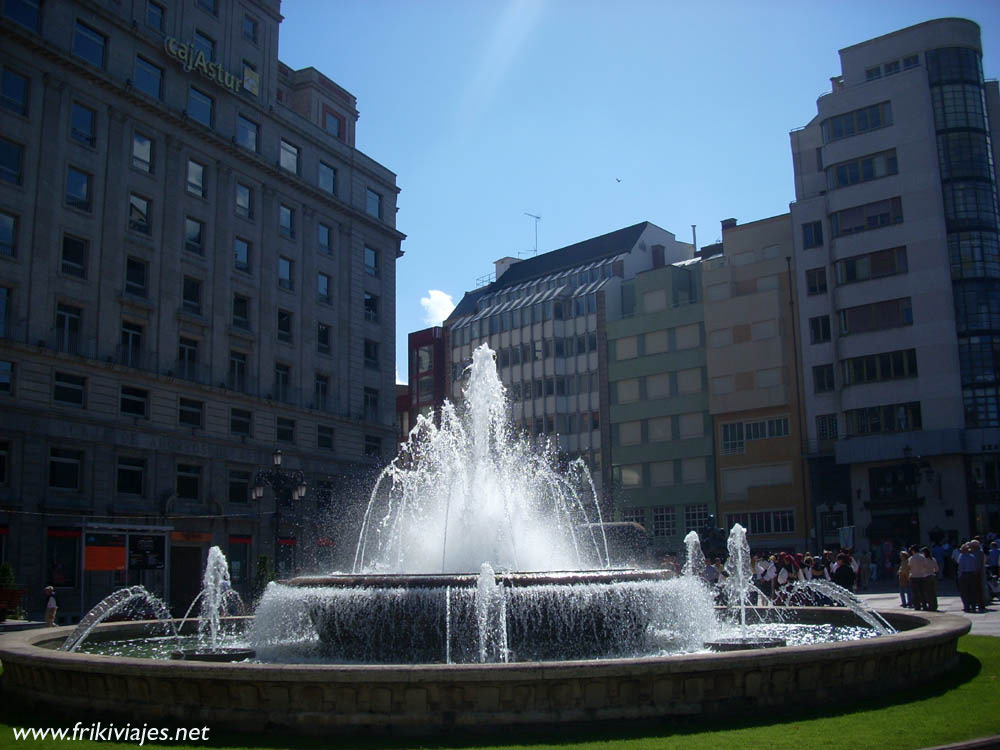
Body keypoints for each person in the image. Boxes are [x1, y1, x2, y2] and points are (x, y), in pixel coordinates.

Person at [957, 544, 980, 613]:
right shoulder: (972, 556)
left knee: (964, 591)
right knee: (972, 591)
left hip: (964, 574)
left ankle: (966, 606)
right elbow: (976, 566)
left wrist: (959, 576)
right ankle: (973, 606)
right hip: (972, 574)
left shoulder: (961, 557)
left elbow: (960, 567)